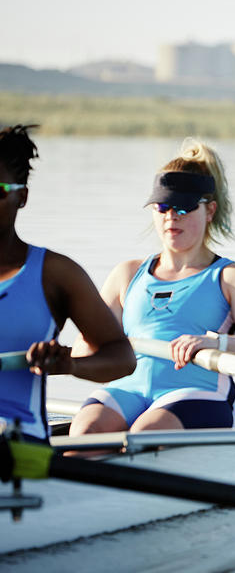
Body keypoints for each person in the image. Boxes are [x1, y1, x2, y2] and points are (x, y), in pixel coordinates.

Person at [68, 139, 235, 434]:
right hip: (127, 389)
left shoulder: (233, 277)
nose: (170, 216)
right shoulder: (126, 275)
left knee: (145, 433)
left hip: (196, 392)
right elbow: (80, 351)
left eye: (183, 207)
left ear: (210, 210)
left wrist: (213, 342)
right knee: (84, 432)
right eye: (162, 206)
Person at [0, 124, 135, 443]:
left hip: (17, 444)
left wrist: (69, 364)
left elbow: (122, 358)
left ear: (23, 197)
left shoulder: (56, 273)